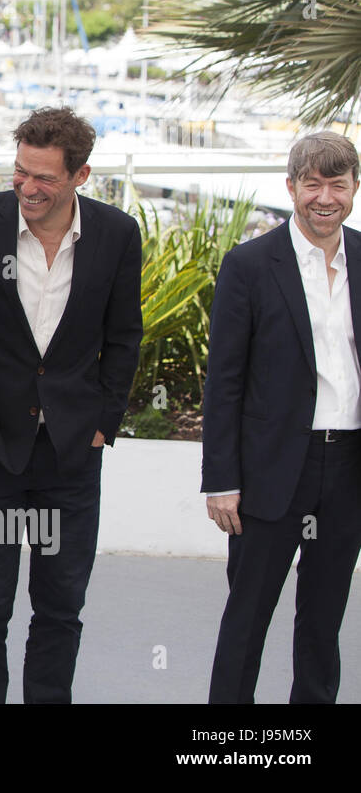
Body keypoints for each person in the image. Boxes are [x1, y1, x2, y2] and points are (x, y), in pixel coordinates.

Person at [0, 106, 142, 704]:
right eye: (20, 172)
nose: (27, 187)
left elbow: (125, 334)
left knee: (60, 605)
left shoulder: (117, 234)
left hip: (73, 456)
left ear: (81, 175)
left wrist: (106, 419)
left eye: (44, 177)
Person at [204, 131, 361, 704]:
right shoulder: (250, 265)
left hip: (346, 466)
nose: (325, 197)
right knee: (247, 617)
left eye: (337, 185)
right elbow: (223, 380)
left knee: (324, 621)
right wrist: (221, 480)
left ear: (354, 188)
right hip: (270, 471)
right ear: (291, 188)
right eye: (313, 184)